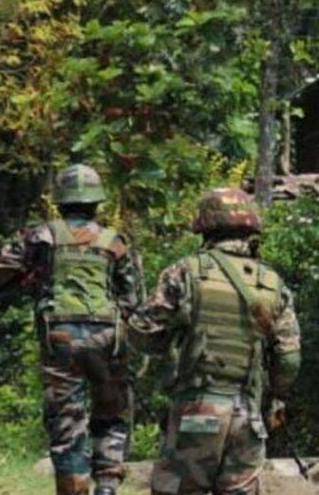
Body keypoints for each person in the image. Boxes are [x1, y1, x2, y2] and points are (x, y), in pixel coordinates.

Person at [127, 188, 301, 495]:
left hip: (198, 412)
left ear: (205, 227)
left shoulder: (185, 272)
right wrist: (278, 396)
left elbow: (143, 333)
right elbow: (288, 357)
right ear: (250, 230)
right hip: (247, 417)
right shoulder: (272, 284)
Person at [0, 164, 140, 495]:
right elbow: (131, 298)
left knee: (67, 422)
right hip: (109, 338)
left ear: (60, 201)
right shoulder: (115, 241)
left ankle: (75, 489)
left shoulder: (41, 235)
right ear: (97, 202)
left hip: (61, 337)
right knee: (110, 412)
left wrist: (30, 277)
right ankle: (108, 484)